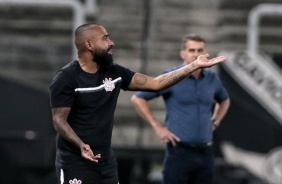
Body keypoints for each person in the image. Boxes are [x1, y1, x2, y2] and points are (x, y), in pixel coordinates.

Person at [49, 23, 226, 184]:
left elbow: (156, 83)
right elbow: (59, 120)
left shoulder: (114, 72)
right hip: (75, 162)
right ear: (89, 45)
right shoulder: (66, 78)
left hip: (105, 161)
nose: (111, 42)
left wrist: (193, 66)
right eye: (105, 38)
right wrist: (80, 145)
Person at [131, 33, 230, 184]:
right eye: (192, 50)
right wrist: (157, 126)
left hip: (205, 151)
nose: (196, 54)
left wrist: (216, 121)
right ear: (182, 53)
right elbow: (138, 98)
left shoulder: (211, 78)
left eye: (200, 50)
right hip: (179, 151)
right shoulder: (172, 77)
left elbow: (224, 100)